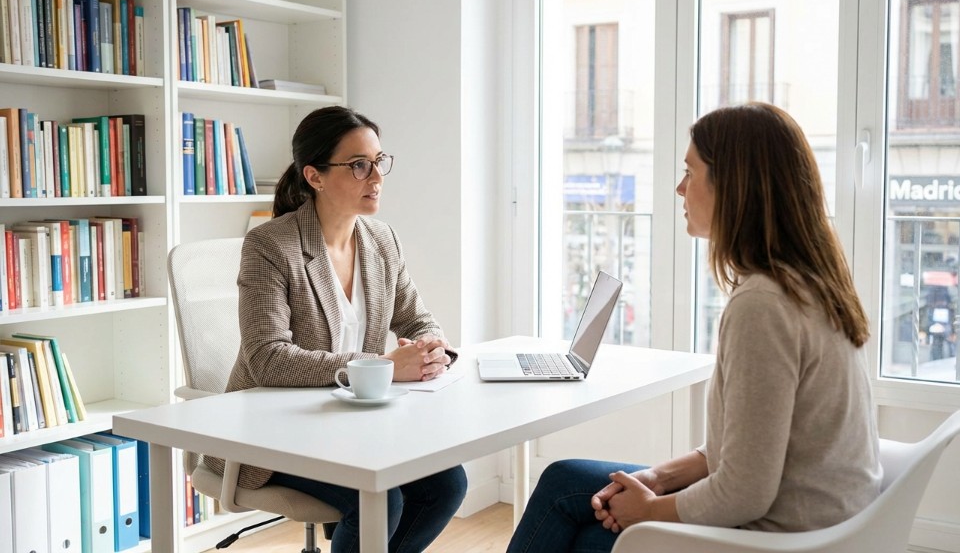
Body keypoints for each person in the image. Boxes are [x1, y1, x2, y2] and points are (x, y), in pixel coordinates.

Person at [506, 102, 881, 552]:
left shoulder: (763, 304)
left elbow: (743, 492)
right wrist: (656, 479)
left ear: (734, 187)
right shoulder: (811, 282)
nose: (681, 189)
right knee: (566, 482)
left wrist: (647, 511)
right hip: (819, 523)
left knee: (581, 522)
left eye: (690, 172)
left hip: (776, 538)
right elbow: (743, 448)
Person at [203, 106, 467, 553]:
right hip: (275, 430)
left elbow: (418, 319)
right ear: (315, 176)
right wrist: (380, 366)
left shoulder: (381, 240)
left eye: (379, 162)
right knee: (380, 500)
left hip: (349, 424)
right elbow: (267, 358)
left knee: (447, 484)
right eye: (359, 165)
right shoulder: (271, 245)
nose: (376, 177)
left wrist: (431, 350)